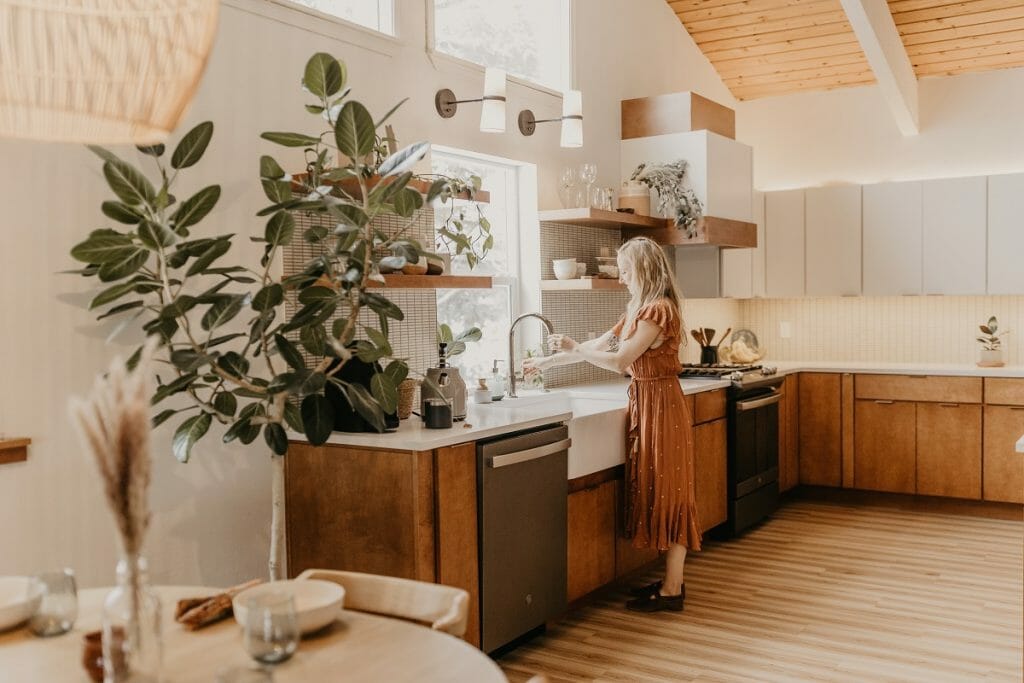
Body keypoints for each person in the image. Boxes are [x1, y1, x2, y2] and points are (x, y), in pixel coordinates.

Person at [523, 236, 701, 612]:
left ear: (642, 270)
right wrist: (547, 363)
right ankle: (672, 581)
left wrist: (573, 349)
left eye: (624, 271)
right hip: (647, 402)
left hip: (663, 406)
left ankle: (672, 590)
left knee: (673, 492)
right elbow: (599, 346)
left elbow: (620, 361)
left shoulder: (659, 311)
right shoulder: (638, 309)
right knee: (661, 488)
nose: (621, 279)